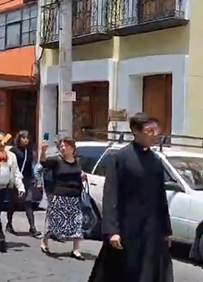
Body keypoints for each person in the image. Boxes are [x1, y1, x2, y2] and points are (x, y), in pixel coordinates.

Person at [88, 114, 174, 282]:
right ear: (135, 131)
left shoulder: (156, 161)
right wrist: (112, 230)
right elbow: (111, 195)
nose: (154, 135)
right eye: (150, 130)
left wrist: (165, 231)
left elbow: (160, 197)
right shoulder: (120, 158)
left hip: (151, 230)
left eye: (157, 130)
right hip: (126, 229)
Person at [39, 137, 86, 260]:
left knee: (77, 222)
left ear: (73, 148)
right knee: (55, 222)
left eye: (66, 146)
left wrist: (82, 175)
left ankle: (76, 249)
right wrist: (43, 151)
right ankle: (45, 241)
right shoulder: (57, 161)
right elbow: (43, 162)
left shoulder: (77, 161)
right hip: (60, 195)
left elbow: (78, 173)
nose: (63, 148)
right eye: (61, 146)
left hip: (75, 196)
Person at [6, 131, 42, 237]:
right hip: (16, 179)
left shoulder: (29, 151)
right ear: (19, 139)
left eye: (27, 138)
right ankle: (9, 224)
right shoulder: (13, 151)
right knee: (13, 202)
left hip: (27, 179)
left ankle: (32, 227)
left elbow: (33, 165)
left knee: (28, 202)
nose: (25, 140)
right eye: (23, 138)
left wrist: (35, 179)